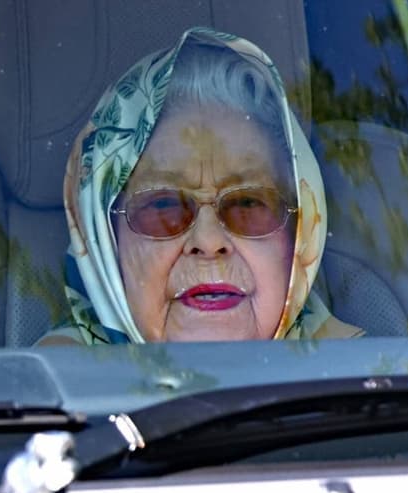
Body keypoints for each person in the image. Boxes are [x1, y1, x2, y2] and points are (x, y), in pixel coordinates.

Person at [38, 27, 363, 345]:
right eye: (163, 206)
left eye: (248, 204)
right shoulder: (50, 389)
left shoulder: (367, 379)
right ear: (107, 241)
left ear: (299, 236)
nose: (208, 242)